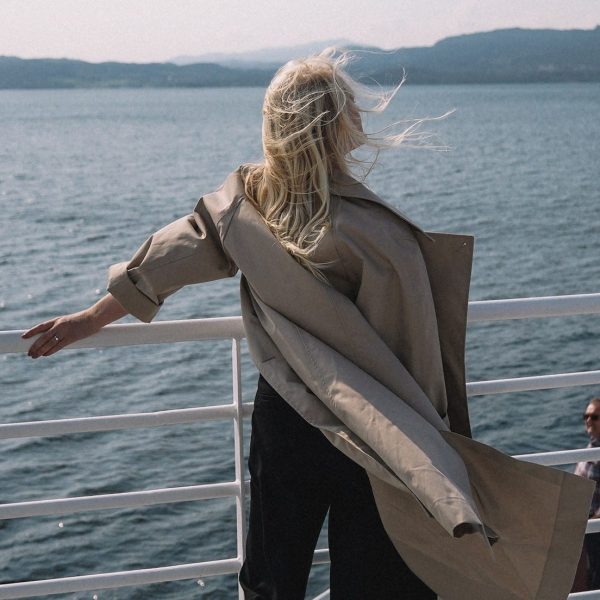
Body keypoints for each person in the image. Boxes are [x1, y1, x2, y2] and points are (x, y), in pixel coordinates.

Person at [22, 51, 594, 600]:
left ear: (274, 126)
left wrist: (90, 318)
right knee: (378, 578)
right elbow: (416, 353)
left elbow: (172, 255)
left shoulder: (245, 207)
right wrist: (439, 437)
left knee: (274, 572)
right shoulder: (382, 238)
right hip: (375, 430)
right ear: (342, 124)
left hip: (289, 413)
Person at [575, 397, 600, 590]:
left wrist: (594, 518)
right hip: (583, 520)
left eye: (595, 416)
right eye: (586, 416)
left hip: (594, 523)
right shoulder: (591, 448)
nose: (588, 420)